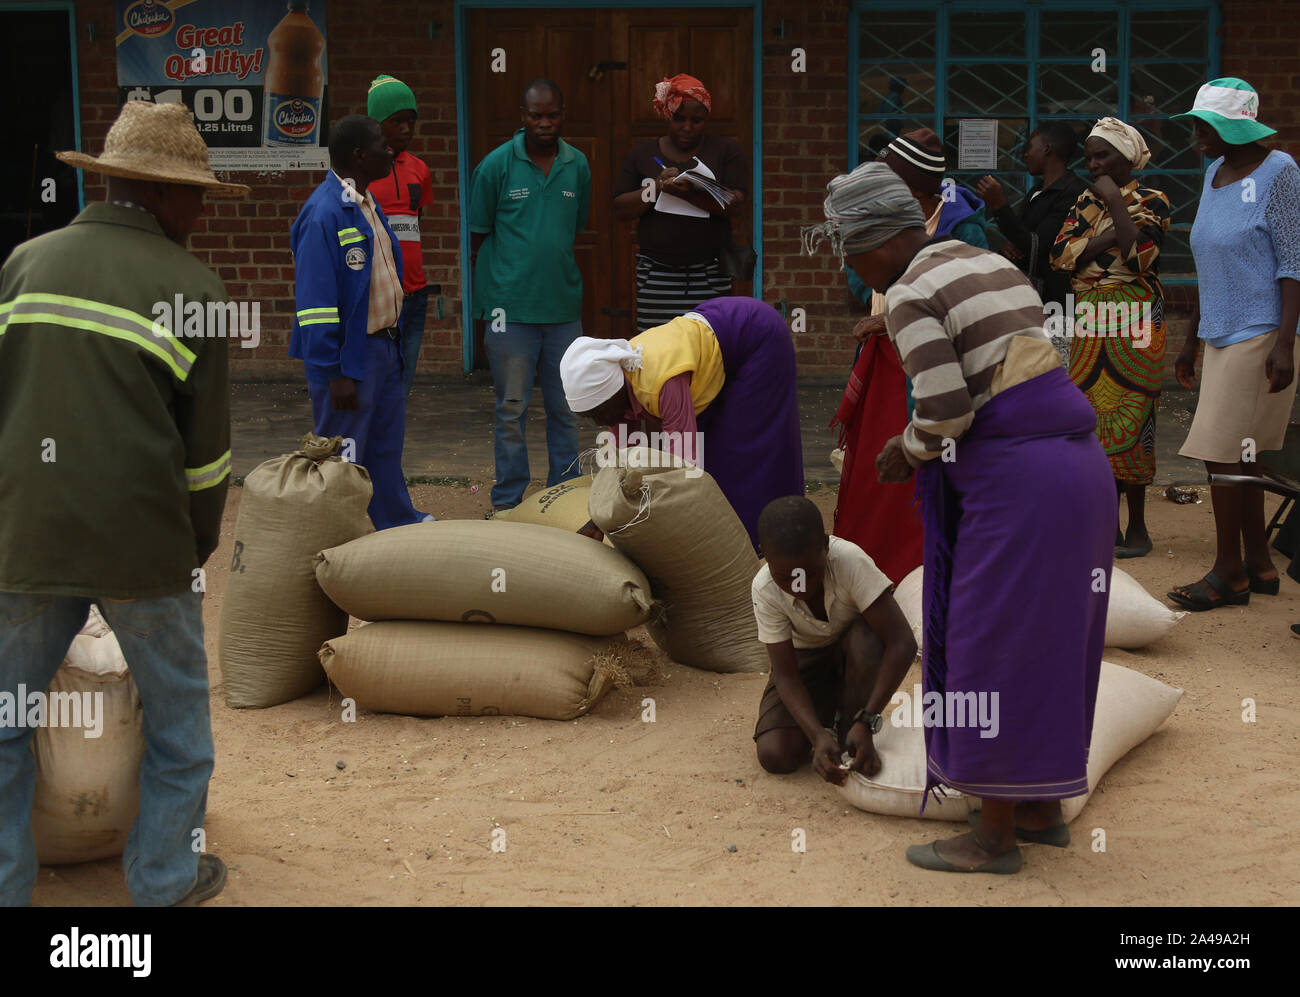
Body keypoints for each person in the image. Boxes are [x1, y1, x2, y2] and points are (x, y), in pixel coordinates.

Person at [803, 163, 1114, 874]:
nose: (853, 270)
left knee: (985, 644)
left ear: (880, 241)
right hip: (1078, 468)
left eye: (851, 253)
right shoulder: (990, 260)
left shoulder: (911, 292)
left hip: (1020, 482)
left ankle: (993, 836)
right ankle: (1040, 808)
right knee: (1050, 641)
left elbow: (945, 413)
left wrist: (902, 453)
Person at [0, 100, 246, 906]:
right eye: (199, 196)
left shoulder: (23, 266)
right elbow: (207, 463)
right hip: (143, 548)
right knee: (179, 735)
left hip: (28, 540)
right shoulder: (195, 289)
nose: (203, 211)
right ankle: (163, 885)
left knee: (5, 725)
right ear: (164, 195)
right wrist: (192, 549)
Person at [829, 130, 988, 585]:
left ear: (914, 188)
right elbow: (861, 280)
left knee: (930, 459)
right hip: (885, 364)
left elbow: (963, 304)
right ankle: (870, 568)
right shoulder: (878, 226)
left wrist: (898, 315)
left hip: (929, 367)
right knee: (876, 474)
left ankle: (923, 570)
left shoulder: (964, 226)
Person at [1167, 79, 1300, 611]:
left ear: (1232, 126)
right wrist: (1191, 339)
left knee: (1221, 454)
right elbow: (1208, 259)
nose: (1196, 135)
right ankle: (1259, 565)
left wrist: (1286, 342)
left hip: (1263, 329)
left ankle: (1228, 574)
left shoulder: (1281, 172)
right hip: (1220, 331)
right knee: (1240, 456)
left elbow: (1294, 261)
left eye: (1204, 125)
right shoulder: (1213, 173)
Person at [558, 296, 803, 548]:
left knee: (738, 451)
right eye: (589, 417)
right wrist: (600, 520)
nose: (597, 423)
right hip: (714, 332)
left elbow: (684, 467)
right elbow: (624, 463)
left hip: (758, 335)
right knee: (709, 447)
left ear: (613, 394)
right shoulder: (618, 385)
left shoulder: (662, 384)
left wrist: (672, 534)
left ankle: (762, 540)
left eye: (597, 413)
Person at [289, 113, 429, 530]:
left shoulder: (366, 203)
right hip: (350, 360)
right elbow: (314, 306)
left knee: (384, 449)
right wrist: (334, 373)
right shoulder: (323, 214)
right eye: (382, 147)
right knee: (343, 456)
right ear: (358, 155)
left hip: (384, 350)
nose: (390, 152)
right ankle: (334, 537)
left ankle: (394, 525)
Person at [1050, 117, 1170, 559]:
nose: (1095, 164)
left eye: (1104, 156)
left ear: (1128, 158)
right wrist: (1112, 235)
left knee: (1136, 416)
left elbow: (1141, 258)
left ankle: (1138, 526)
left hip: (1136, 317)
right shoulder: (1083, 201)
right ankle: (1107, 524)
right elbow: (1060, 256)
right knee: (1094, 418)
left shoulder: (1154, 200)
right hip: (1089, 318)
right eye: (1090, 157)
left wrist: (1116, 206)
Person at [469, 79, 591, 514]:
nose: (544, 123)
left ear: (562, 114)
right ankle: (507, 503)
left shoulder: (576, 164)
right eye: (535, 115)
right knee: (511, 410)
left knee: (566, 408)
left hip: (562, 309)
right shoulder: (496, 166)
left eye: (552, 115)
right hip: (509, 310)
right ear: (522, 116)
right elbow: (478, 234)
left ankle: (566, 500)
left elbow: (575, 226)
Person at [750, 497, 916, 780]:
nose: (799, 587)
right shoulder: (764, 588)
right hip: (806, 661)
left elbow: (902, 642)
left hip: (852, 652)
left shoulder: (849, 561)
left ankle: (851, 722)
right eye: (785, 578)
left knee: (866, 642)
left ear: (826, 546)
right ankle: (827, 721)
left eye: (809, 574)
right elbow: (787, 677)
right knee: (776, 754)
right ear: (764, 554)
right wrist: (816, 737)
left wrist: (867, 718)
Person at [613, 74, 749, 332]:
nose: (687, 127)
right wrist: (657, 187)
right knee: (658, 352)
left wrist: (688, 193)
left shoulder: (725, 151)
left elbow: (736, 205)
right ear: (667, 115)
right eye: (679, 119)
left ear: (705, 119)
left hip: (710, 274)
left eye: (696, 121)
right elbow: (621, 208)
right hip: (657, 276)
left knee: (710, 348)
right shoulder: (642, 155)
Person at [976, 121, 1088, 363]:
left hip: (1057, 302)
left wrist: (999, 206)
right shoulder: (1038, 191)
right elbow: (1024, 238)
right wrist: (1011, 247)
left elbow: (1039, 244)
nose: (1025, 154)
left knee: (1057, 371)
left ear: (1047, 149)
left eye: (1030, 147)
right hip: (1030, 302)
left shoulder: (1073, 193)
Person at [366, 74, 434, 398]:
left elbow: (415, 220)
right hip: (379, 294)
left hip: (415, 294)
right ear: (378, 124)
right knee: (378, 385)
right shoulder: (364, 170)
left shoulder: (419, 168)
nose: (407, 128)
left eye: (412, 121)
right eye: (398, 121)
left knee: (402, 389)